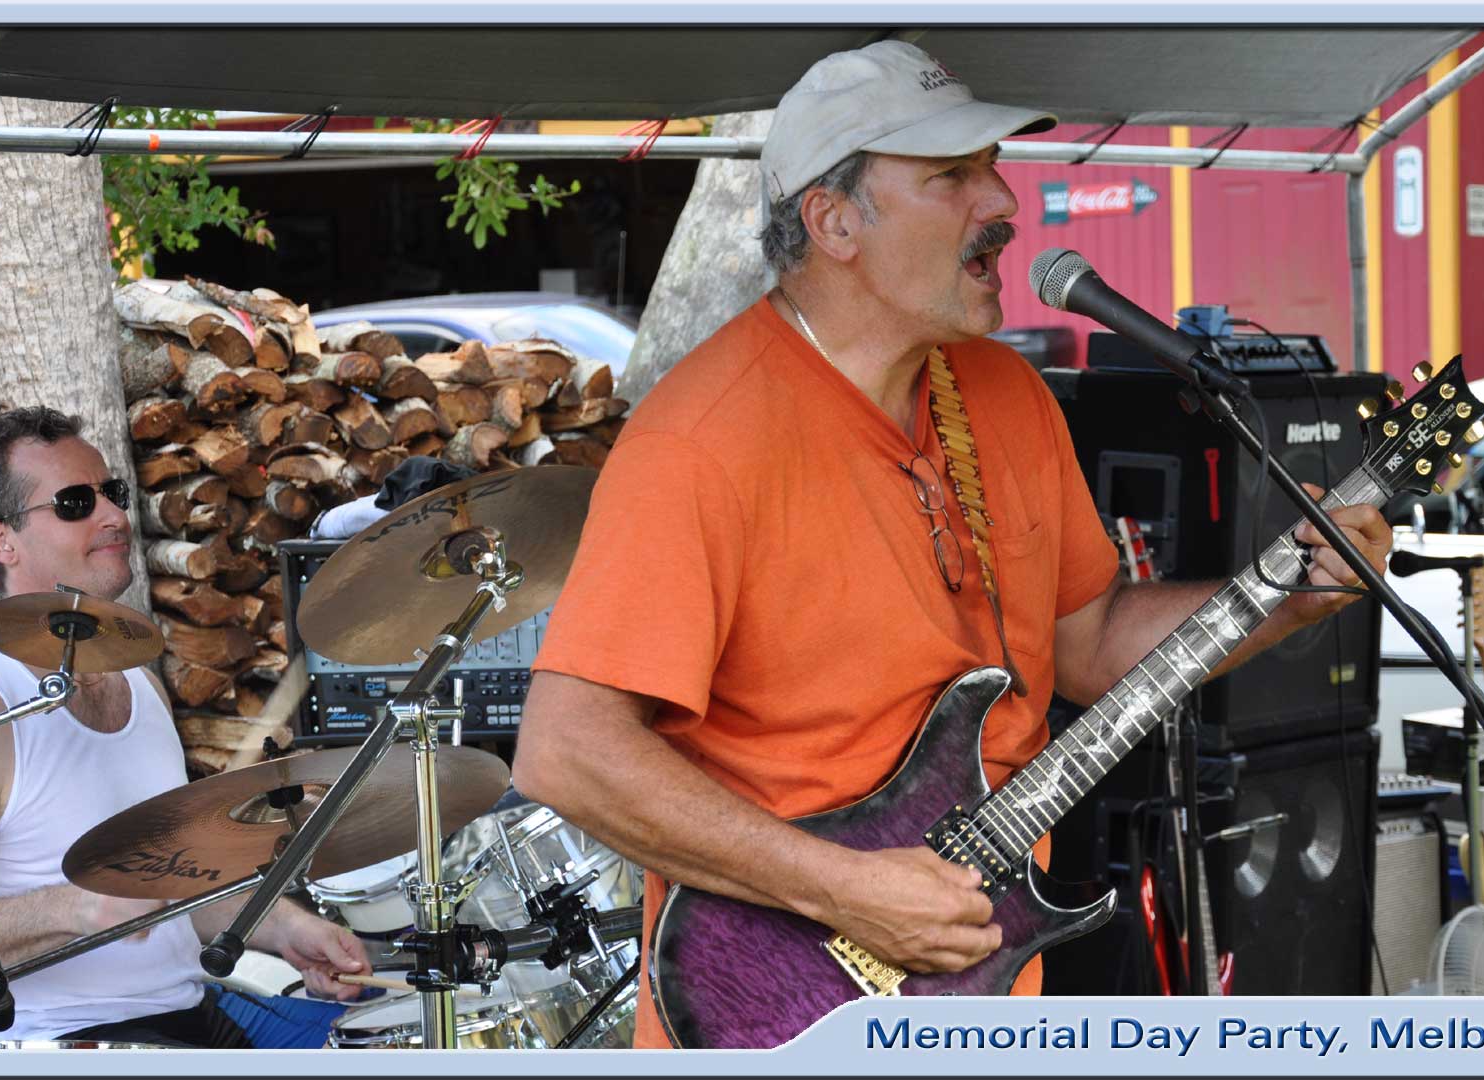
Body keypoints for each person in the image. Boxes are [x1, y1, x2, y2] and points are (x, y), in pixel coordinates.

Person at [511, 41, 1393, 1048]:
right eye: (951, 175)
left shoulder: (1006, 394)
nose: (1003, 201)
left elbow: (1089, 642)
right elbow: (566, 752)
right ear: (834, 222)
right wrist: (847, 890)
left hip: (983, 991)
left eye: (992, 165)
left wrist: (1288, 600)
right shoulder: (701, 441)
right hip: (777, 1008)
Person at [0, 406, 372, 1048]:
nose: (113, 515)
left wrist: (285, 928)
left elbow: (173, 888)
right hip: (54, 1040)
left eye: (112, 492)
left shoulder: (139, 683)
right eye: (76, 503)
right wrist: (76, 907)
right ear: (1, 542)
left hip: (185, 1018)